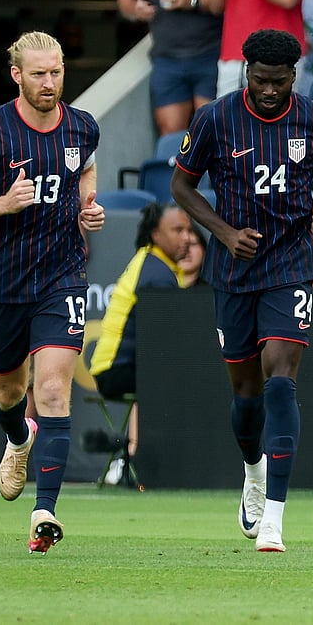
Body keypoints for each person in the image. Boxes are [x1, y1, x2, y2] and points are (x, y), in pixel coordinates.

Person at [171, 29, 313, 552]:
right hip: (234, 272)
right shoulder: (215, 118)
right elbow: (181, 184)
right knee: (246, 396)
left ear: (295, 75)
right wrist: (223, 233)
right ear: (246, 71)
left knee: (281, 373)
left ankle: (275, 517)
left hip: (291, 263)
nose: (270, 90)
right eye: (261, 79)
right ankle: (253, 474)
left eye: (280, 80)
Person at [0, 31, 106, 553]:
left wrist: (89, 206)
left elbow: (86, 167)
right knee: (9, 393)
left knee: (54, 390)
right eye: (39, 74)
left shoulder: (82, 125)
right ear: (17, 75)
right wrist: (2, 204)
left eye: (56, 72)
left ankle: (45, 514)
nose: (50, 83)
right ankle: (18, 438)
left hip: (62, 277)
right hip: (4, 282)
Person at [88, 203, 195, 485]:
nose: (186, 237)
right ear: (156, 234)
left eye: (188, 230)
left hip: (118, 367)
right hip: (117, 369)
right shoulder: (156, 274)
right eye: (177, 230)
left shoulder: (155, 263)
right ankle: (138, 462)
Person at [117, 0, 224, 135]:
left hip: (210, 54)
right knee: (171, 133)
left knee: (212, 130)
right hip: (166, 59)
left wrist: (190, 0)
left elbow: (221, 4)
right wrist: (136, 9)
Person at [207, 0, 311, 96]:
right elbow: (215, 7)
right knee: (229, 116)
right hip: (234, 56)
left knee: (282, 117)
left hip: (280, 59)